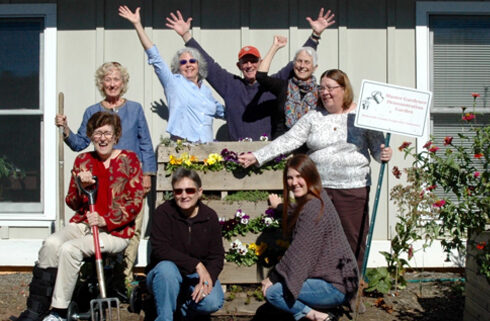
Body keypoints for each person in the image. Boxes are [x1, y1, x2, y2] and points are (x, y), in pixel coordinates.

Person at [238, 69, 393, 271]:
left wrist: (384, 155)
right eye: (322, 88)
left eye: (330, 87)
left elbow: (376, 149)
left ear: (344, 89)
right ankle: (322, 287)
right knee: (317, 238)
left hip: (353, 189)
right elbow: (288, 140)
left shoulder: (362, 116)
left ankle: (353, 290)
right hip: (319, 191)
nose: (325, 92)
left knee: (353, 239)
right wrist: (257, 156)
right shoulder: (313, 117)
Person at [18, 112, 144, 321]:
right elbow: (72, 201)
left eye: (107, 133)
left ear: (116, 136)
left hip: (116, 232)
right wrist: (80, 186)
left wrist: (106, 219)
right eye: (97, 133)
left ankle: (58, 312)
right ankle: (37, 308)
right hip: (84, 225)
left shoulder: (129, 160)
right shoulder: (83, 160)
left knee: (70, 249)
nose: (102, 138)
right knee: (51, 243)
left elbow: (135, 201)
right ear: (91, 136)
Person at [55, 61, 156, 285]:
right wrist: (65, 129)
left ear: (123, 83)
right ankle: (98, 277)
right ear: (102, 83)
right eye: (107, 80)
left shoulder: (135, 109)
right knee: (98, 228)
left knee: (133, 229)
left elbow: (146, 143)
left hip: (131, 181)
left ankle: (125, 278)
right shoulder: (93, 111)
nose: (112, 84)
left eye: (116, 79)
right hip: (101, 184)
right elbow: (80, 143)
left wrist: (147, 174)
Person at [165, 8, 335, 140]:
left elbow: (298, 64)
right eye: (244, 62)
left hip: (268, 156)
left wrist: (315, 36)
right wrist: (186, 35)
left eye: (253, 61)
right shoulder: (230, 85)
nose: (249, 65)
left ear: (260, 63)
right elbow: (209, 63)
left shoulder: (273, 83)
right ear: (238, 65)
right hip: (237, 158)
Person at [261, 154, 358, 321]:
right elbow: (297, 212)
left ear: (311, 176)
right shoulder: (318, 197)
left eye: (299, 176)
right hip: (340, 281)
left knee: (273, 293)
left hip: (335, 287)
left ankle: (318, 316)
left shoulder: (314, 208)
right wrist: (279, 207)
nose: (294, 182)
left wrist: (273, 277)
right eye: (290, 178)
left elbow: (299, 252)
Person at [119, 6, 225, 143]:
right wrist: (137, 25)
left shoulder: (206, 92)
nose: (188, 64)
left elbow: (225, 112)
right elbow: (155, 57)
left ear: (199, 65)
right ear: (178, 67)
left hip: (208, 154)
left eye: (192, 61)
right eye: (183, 62)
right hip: (182, 152)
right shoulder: (173, 83)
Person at [146, 168, 224, 321]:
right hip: (164, 276)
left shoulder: (209, 216)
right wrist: (197, 264)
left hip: (194, 277)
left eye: (189, 190)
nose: (184, 196)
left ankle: (179, 307)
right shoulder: (163, 213)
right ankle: (165, 317)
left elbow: (217, 256)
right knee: (166, 269)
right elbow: (160, 249)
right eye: (178, 191)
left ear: (199, 192)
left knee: (212, 302)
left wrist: (209, 278)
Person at [256, 36, 320, 138]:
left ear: (315, 67)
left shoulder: (321, 92)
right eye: (299, 61)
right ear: (294, 64)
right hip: (282, 147)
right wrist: (275, 47)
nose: (302, 66)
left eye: (307, 62)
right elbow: (261, 76)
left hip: (309, 148)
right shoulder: (283, 87)